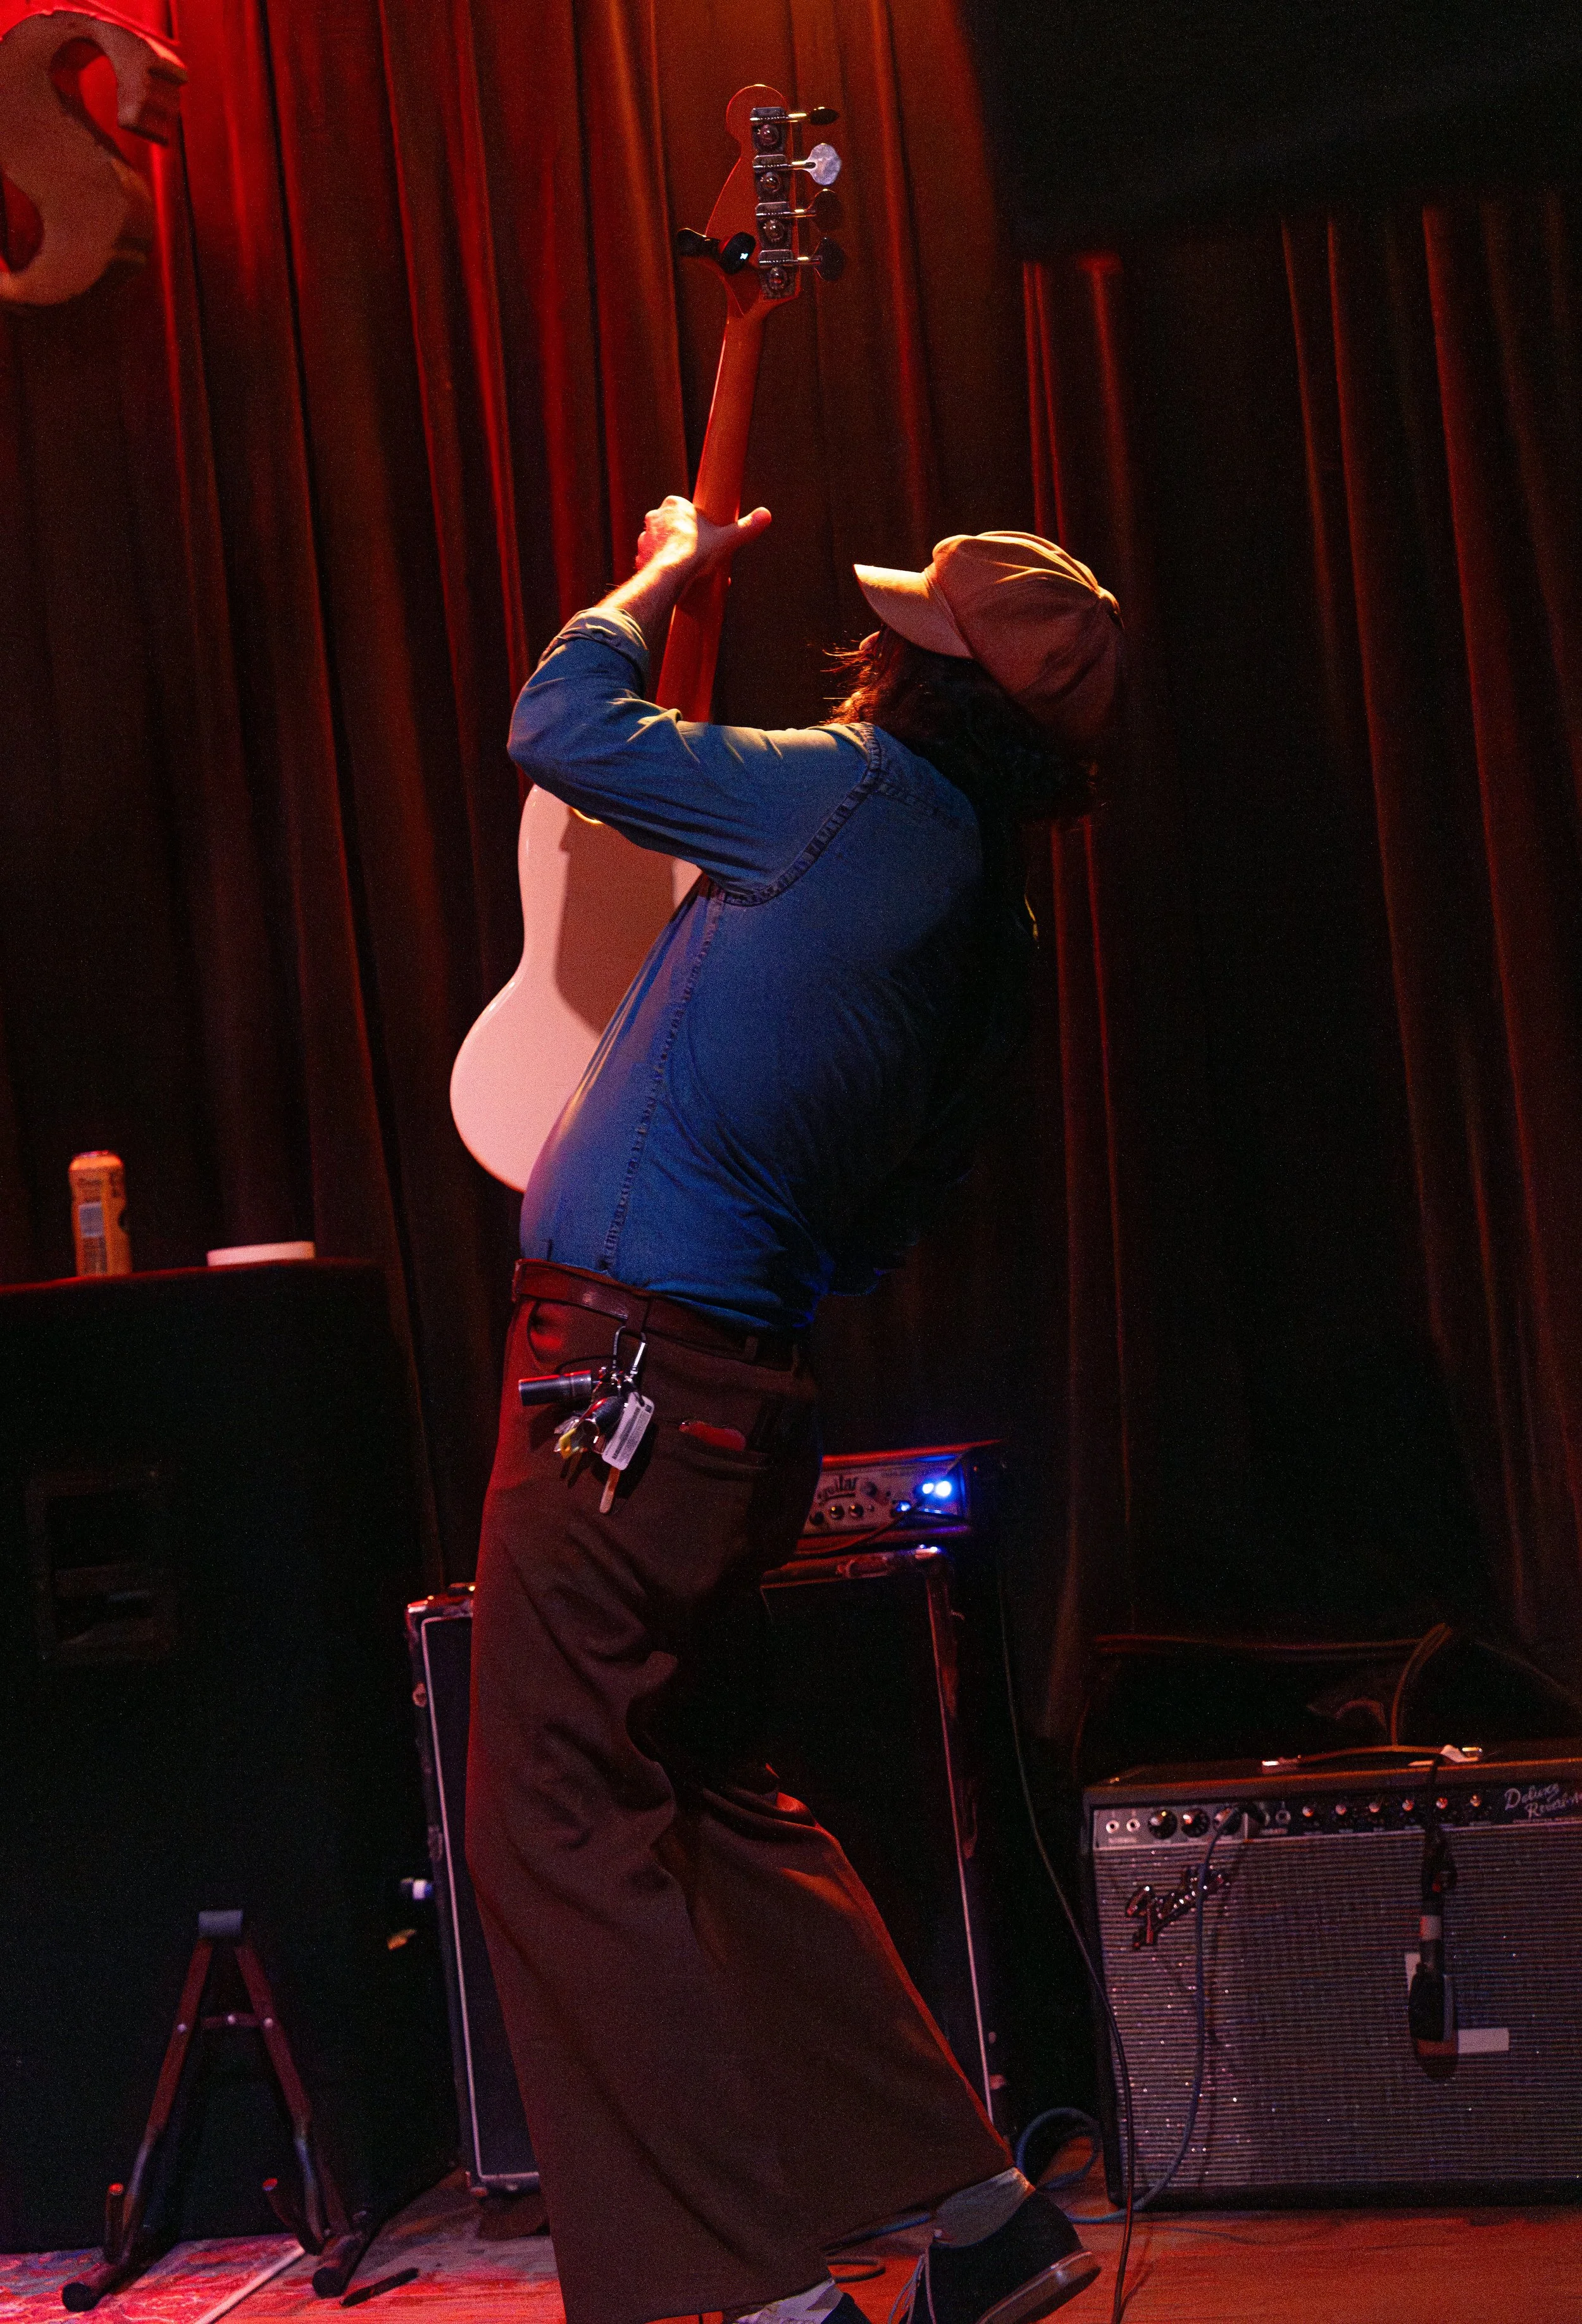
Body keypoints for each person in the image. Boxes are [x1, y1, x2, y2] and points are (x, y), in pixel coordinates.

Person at [465, 499, 1126, 2324]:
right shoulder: (986, 917)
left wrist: (652, 582)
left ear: (925, 675)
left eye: (902, 636)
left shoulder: (850, 795)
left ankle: (749, 2295)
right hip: (724, 1386)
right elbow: (899, 1209)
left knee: (550, 1814)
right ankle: (980, 2219)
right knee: (703, 1797)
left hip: (624, 1378)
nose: (870, 647)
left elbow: (559, 730)